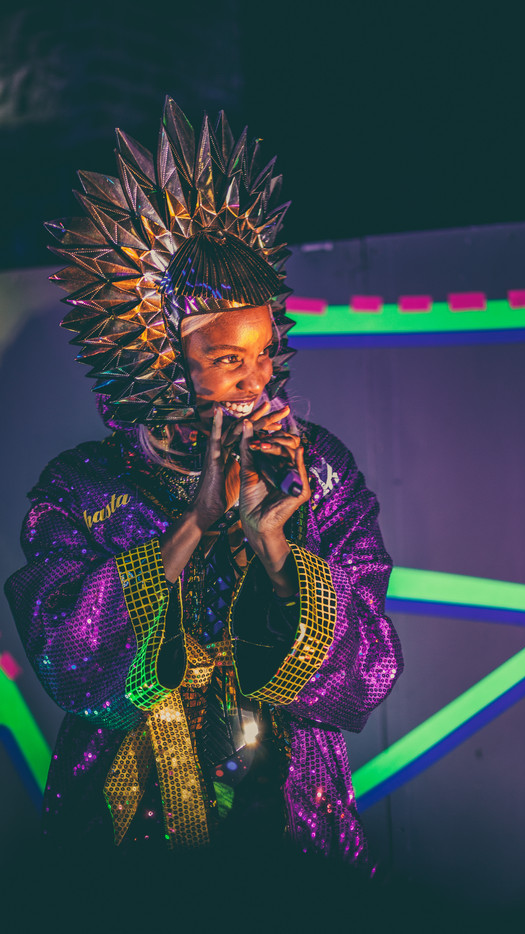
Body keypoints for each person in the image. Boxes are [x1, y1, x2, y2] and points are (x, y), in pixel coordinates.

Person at [5, 98, 403, 869]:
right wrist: (191, 525)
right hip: (130, 836)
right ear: (162, 360)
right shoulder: (83, 487)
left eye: (263, 351)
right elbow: (67, 664)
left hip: (291, 824)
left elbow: (371, 671)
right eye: (227, 359)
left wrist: (277, 544)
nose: (256, 379)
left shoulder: (316, 469)